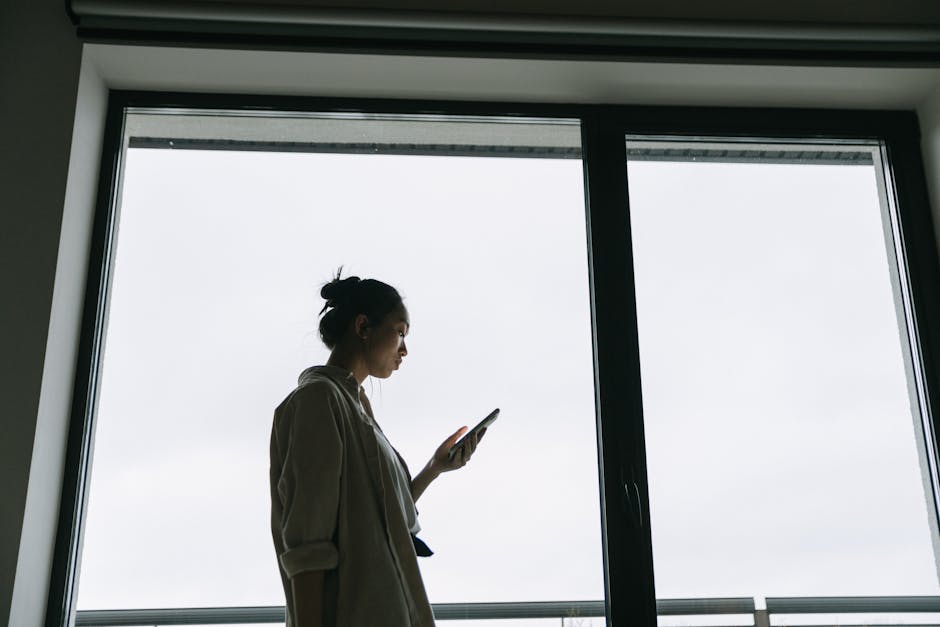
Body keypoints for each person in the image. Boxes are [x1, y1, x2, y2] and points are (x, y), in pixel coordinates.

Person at [270, 272, 485, 627]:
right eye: (400, 332)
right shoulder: (318, 400)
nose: (404, 349)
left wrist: (434, 467)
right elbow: (308, 545)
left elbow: (387, 520)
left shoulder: (354, 406)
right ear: (363, 327)